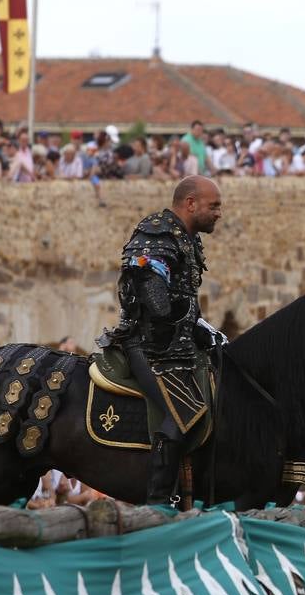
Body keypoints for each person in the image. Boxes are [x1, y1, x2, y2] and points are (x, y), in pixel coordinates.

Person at [96, 176, 224, 505]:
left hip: (179, 350)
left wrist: (201, 328)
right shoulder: (157, 234)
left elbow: (183, 302)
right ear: (190, 203)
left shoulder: (188, 239)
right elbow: (151, 294)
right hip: (148, 347)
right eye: (214, 206)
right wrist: (180, 316)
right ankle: (158, 501)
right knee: (183, 413)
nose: (218, 213)